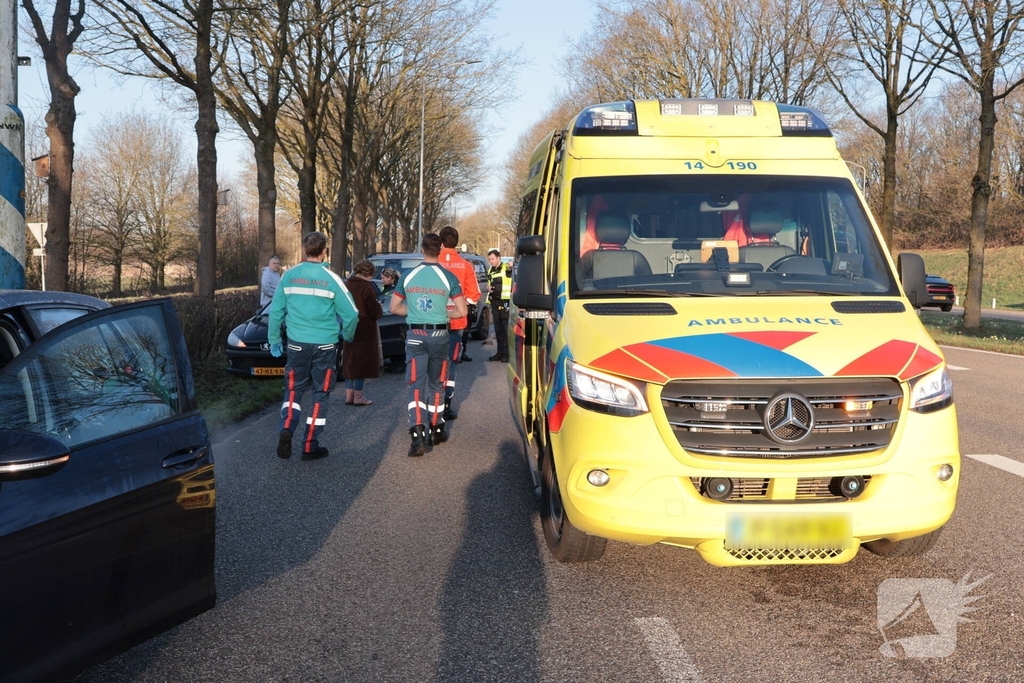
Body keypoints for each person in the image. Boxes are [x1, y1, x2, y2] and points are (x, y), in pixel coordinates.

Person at [268, 232, 359, 461]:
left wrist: (275, 340)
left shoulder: (288, 276)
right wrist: (346, 336)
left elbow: (276, 311)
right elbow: (352, 314)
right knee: (320, 394)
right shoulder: (331, 279)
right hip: (325, 346)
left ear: (304, 250)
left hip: (297, 345)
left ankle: (287, 427)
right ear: (324, 251)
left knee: (293, 391)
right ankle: (310, 445)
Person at [390, 233, 467, 457]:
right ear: (441, 249)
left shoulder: (408, 275)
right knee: (437, 383)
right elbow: (461, 311)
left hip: (415, 334)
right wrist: (442, 312)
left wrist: (415, 313)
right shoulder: (449, 277)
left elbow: (394, 307)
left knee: (414, 385)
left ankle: (417, 436)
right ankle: (436, 429)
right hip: (440, 334)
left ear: (422, 249)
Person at [438, 226, 481, 420]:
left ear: (440, 242)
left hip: (432, 322)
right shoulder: (465, 265)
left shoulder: (432, 263)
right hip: (456, 323)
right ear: (456, 242)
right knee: (451, 365)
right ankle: (446, 405)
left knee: (432, 363)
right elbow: (474, 296)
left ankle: (432, 403)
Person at [343, 259, 384, 406]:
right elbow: (374, 311)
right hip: (364, 327)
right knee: (361, 362)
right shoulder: (367, 287)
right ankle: (358, 396)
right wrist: (379, 308)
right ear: (369, 273)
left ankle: (349, 394)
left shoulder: (346, 284)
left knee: (349, 360)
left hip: (348, 325)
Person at [487, 249, 512, 362]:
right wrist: (488, 288)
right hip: (494, 302)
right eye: (489, 259)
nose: (491, 261)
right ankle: (500, 352)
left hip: (505, 302)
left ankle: (507, 354)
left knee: (505, 329)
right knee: (498, 329)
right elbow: (488, 283)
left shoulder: (505, 268)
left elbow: (509, 268)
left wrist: (510, 265)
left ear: (498, 258)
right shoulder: (490, 271)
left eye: (492, 259)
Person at [379, 268, 406, 373]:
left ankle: (399, 364)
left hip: (395, 317)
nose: (382, 280)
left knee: (399, 342)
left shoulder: (394, 290)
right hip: (391, 317)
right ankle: (395, 363)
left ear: (390, 278)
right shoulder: (386, 288)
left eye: (383, 278)